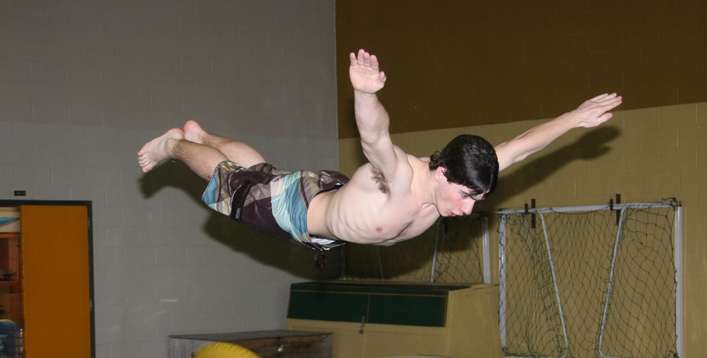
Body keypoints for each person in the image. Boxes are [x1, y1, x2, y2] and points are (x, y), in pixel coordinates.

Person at [137, 49, 622, 257]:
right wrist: (365, 95)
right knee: (234, 186)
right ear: (441, 170)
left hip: (330, 201)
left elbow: (518, 147)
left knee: (260, 171)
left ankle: (203, 133)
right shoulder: (399, 177)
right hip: (300, 211)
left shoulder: (451, 183)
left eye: (476, 197)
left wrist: (575, 118)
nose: (471, 207)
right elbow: (376, 140)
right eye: (467, 194)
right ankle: (176, 145)